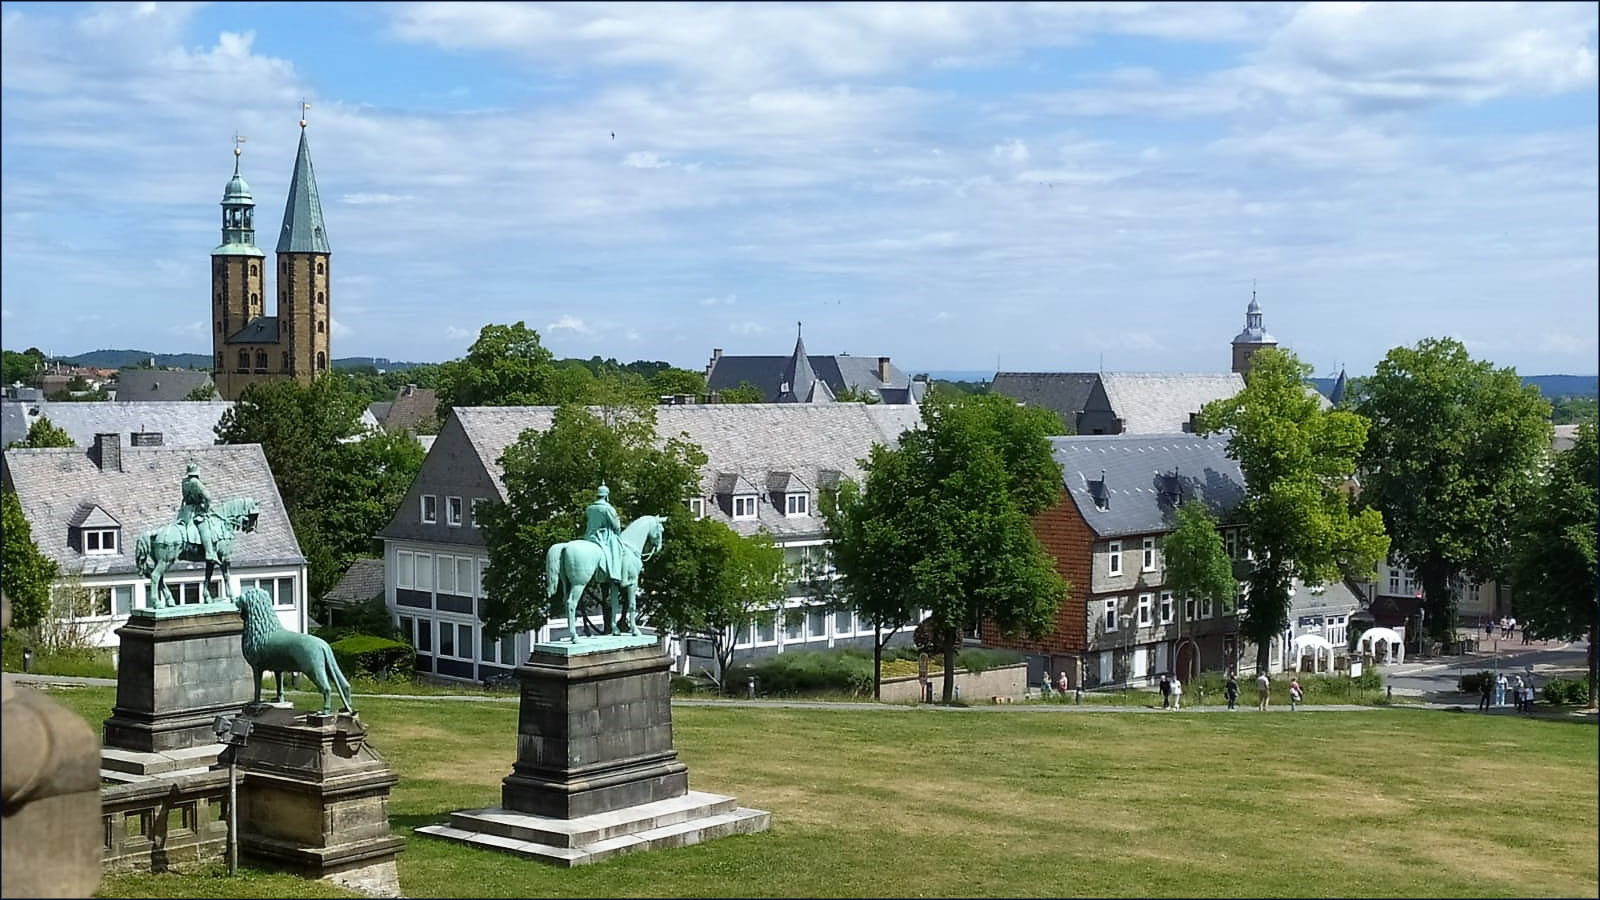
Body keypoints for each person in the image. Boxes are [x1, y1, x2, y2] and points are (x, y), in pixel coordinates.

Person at [177, 461, 220, 564]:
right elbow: (208, 497)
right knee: (204, 527)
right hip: (195, 511)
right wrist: (205, 508)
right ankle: (209, 553)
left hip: (184, 512)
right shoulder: (195, 482)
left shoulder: (184, 482)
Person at [583, 483, 628, 581]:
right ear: (607, 495)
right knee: (618, 550)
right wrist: (618, 533)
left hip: (589, 536)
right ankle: (615, 574)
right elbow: (616, 526)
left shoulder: (589, 508)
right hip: (604, 537)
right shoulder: (608, 508)